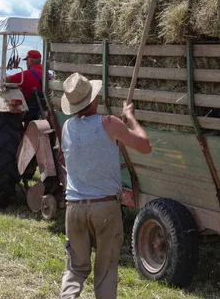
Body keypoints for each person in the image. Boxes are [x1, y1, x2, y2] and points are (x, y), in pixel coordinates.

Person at [60, 72, 152, 299]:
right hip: (105, 209)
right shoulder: (110, 123)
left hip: (74, 208)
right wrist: (129, 118)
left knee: (75, 268)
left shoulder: (66, 129)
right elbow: (145, 146)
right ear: (94, 100)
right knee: (106, 270)